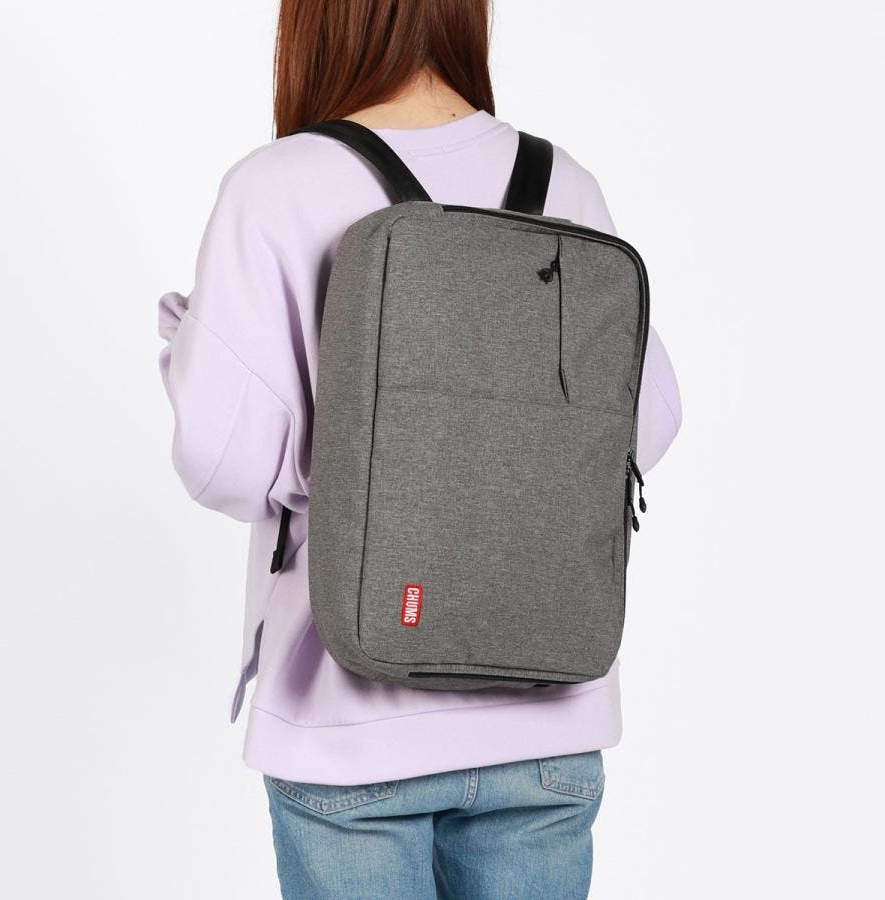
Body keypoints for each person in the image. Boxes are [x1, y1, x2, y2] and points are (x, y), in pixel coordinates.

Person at [157, 1, 682, 896]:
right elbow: (648, 421)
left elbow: (224, 462)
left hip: (351, 728)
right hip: (547, 729)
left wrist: (189, 354)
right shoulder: (567, 184)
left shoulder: (277, 185)